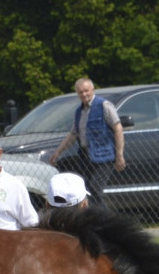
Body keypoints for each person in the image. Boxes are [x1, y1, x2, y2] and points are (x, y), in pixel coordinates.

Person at [48, 77, 125, 205]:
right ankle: (96, 217)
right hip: (86, 156)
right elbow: (73, 134)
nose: (84, 94)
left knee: (95, 188)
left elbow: (118, 128)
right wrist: (57, 152)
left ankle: (104, 218)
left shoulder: (104, 105)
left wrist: (119, 155)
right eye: (80, 92)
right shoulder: (79, 111)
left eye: (86, 91)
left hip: (104, 156)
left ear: (93, 90)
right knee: (87, 190)